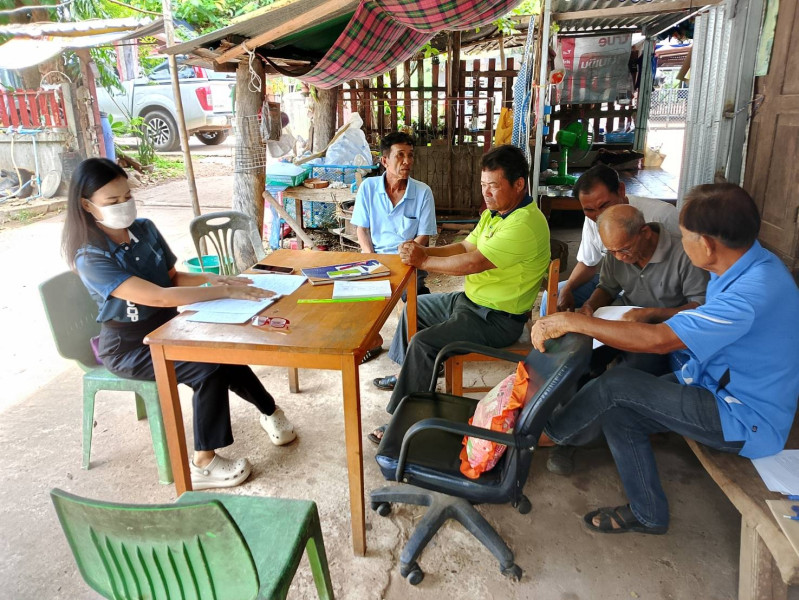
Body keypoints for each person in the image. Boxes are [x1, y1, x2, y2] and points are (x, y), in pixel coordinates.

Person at [531, 183, 799, 534]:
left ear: (706, 244)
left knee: (616, 385)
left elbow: (660, 341)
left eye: (684, 236)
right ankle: (648, 513)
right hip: (711, 383)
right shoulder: (743, 268)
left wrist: (573, 321)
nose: (679, 242)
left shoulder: (752, 291)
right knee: (619, 409)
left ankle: (545, 434)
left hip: (743, 415)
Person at [61, 158, 297, 491]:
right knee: (207, 368)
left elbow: (171, 277)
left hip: (168, 325)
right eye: (112, 201)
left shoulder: (144, 229)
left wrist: (215, 279)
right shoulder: (90, 256)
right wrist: (224, 291)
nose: (123, 205)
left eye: (127, 196)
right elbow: (158, 296)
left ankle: (270, 411)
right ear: (87, 205)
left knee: (223, 350)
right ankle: (203, 464)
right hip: (130, 346)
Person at [369, 144, 550, 443]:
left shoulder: (525, 224)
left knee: (424, 343)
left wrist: (423, 261)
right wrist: (424, 251)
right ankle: (410, 377)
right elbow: (466, 246)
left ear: (519, 184)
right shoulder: (496, 214)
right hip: (471, 303)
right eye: (483, 185)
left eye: (493, 185)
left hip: (497, 319)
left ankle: (402, 422)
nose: (486, 193)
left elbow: (473, 263)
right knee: (415, 309)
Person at [546, 204, 708, 476]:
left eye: (624, 250)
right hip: (620, 317)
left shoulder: (683, 253)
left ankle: (571, 439)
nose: (619, 257)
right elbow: (607, 287)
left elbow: (700, 308)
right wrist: (590, 307)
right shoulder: (616, 251)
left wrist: (651, 313)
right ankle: (568, 425)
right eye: (612, 252)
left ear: (644, 232)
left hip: (660, 336)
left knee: (623, 377)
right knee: (576, 356)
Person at [541, 164, 680, 315]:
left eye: (604, 205)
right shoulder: (595, 219)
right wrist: (568, 289)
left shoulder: (663, 216)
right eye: (589, 210)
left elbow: (684, 275)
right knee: (553, 296)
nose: (599, 215)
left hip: (653, 294)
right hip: (614, 286)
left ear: (621, 190)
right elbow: (589, 263)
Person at [351, 131, 437, 363]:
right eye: (400, 155)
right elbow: (362, 230)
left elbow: (424, 236)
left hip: (409, 260)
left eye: (411, 155)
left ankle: (418, 350)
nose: (407, 161)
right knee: (357, 294)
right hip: (376, 258)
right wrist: (371, 258)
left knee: (418, 302)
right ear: (384, 160)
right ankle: (373, 341)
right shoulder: (368, 188)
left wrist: (406, 259)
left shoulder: (422, 192)